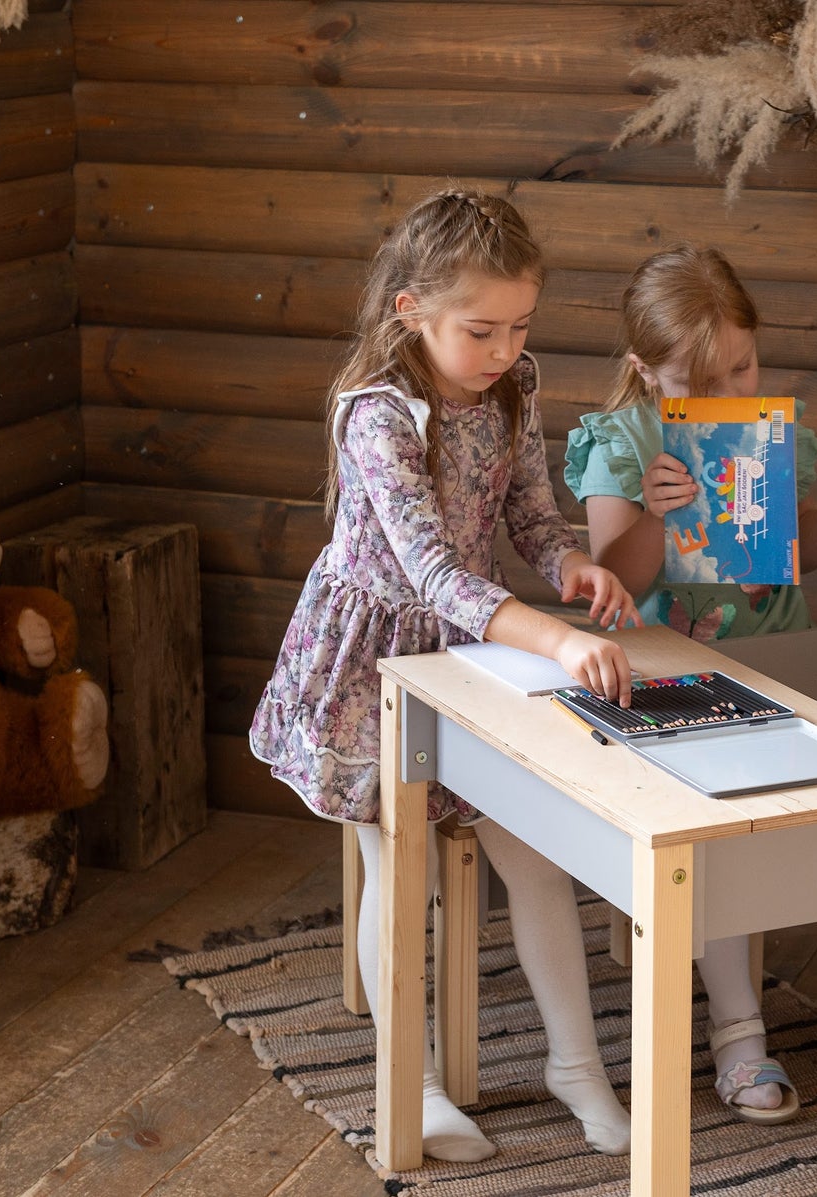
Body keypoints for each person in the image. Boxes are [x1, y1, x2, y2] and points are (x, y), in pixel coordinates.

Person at [250, 188, 640, 1160]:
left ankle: (576, 1066)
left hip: (469, 651)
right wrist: (555, 642)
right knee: (403, 866)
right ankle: (414, 1083)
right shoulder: (376, 415)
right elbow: (428, 572)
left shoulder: (512, 387)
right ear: (411, 310)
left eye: (521, 326)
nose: (505, 350)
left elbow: (530, 516)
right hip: (373, 662)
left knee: (536, 849)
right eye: (482, 330)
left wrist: (571, 564)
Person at [562, 244, 817, 1125]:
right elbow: (613, 581)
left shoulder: (769, 432)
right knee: (722, 845)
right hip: (679, 690)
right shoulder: (620, 443)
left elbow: (787, 552)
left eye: (743, 367)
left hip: (790, 669)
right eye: (700, 383)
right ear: (644, 372)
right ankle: (737, 1030)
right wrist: (657, 516)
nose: (729, 395)